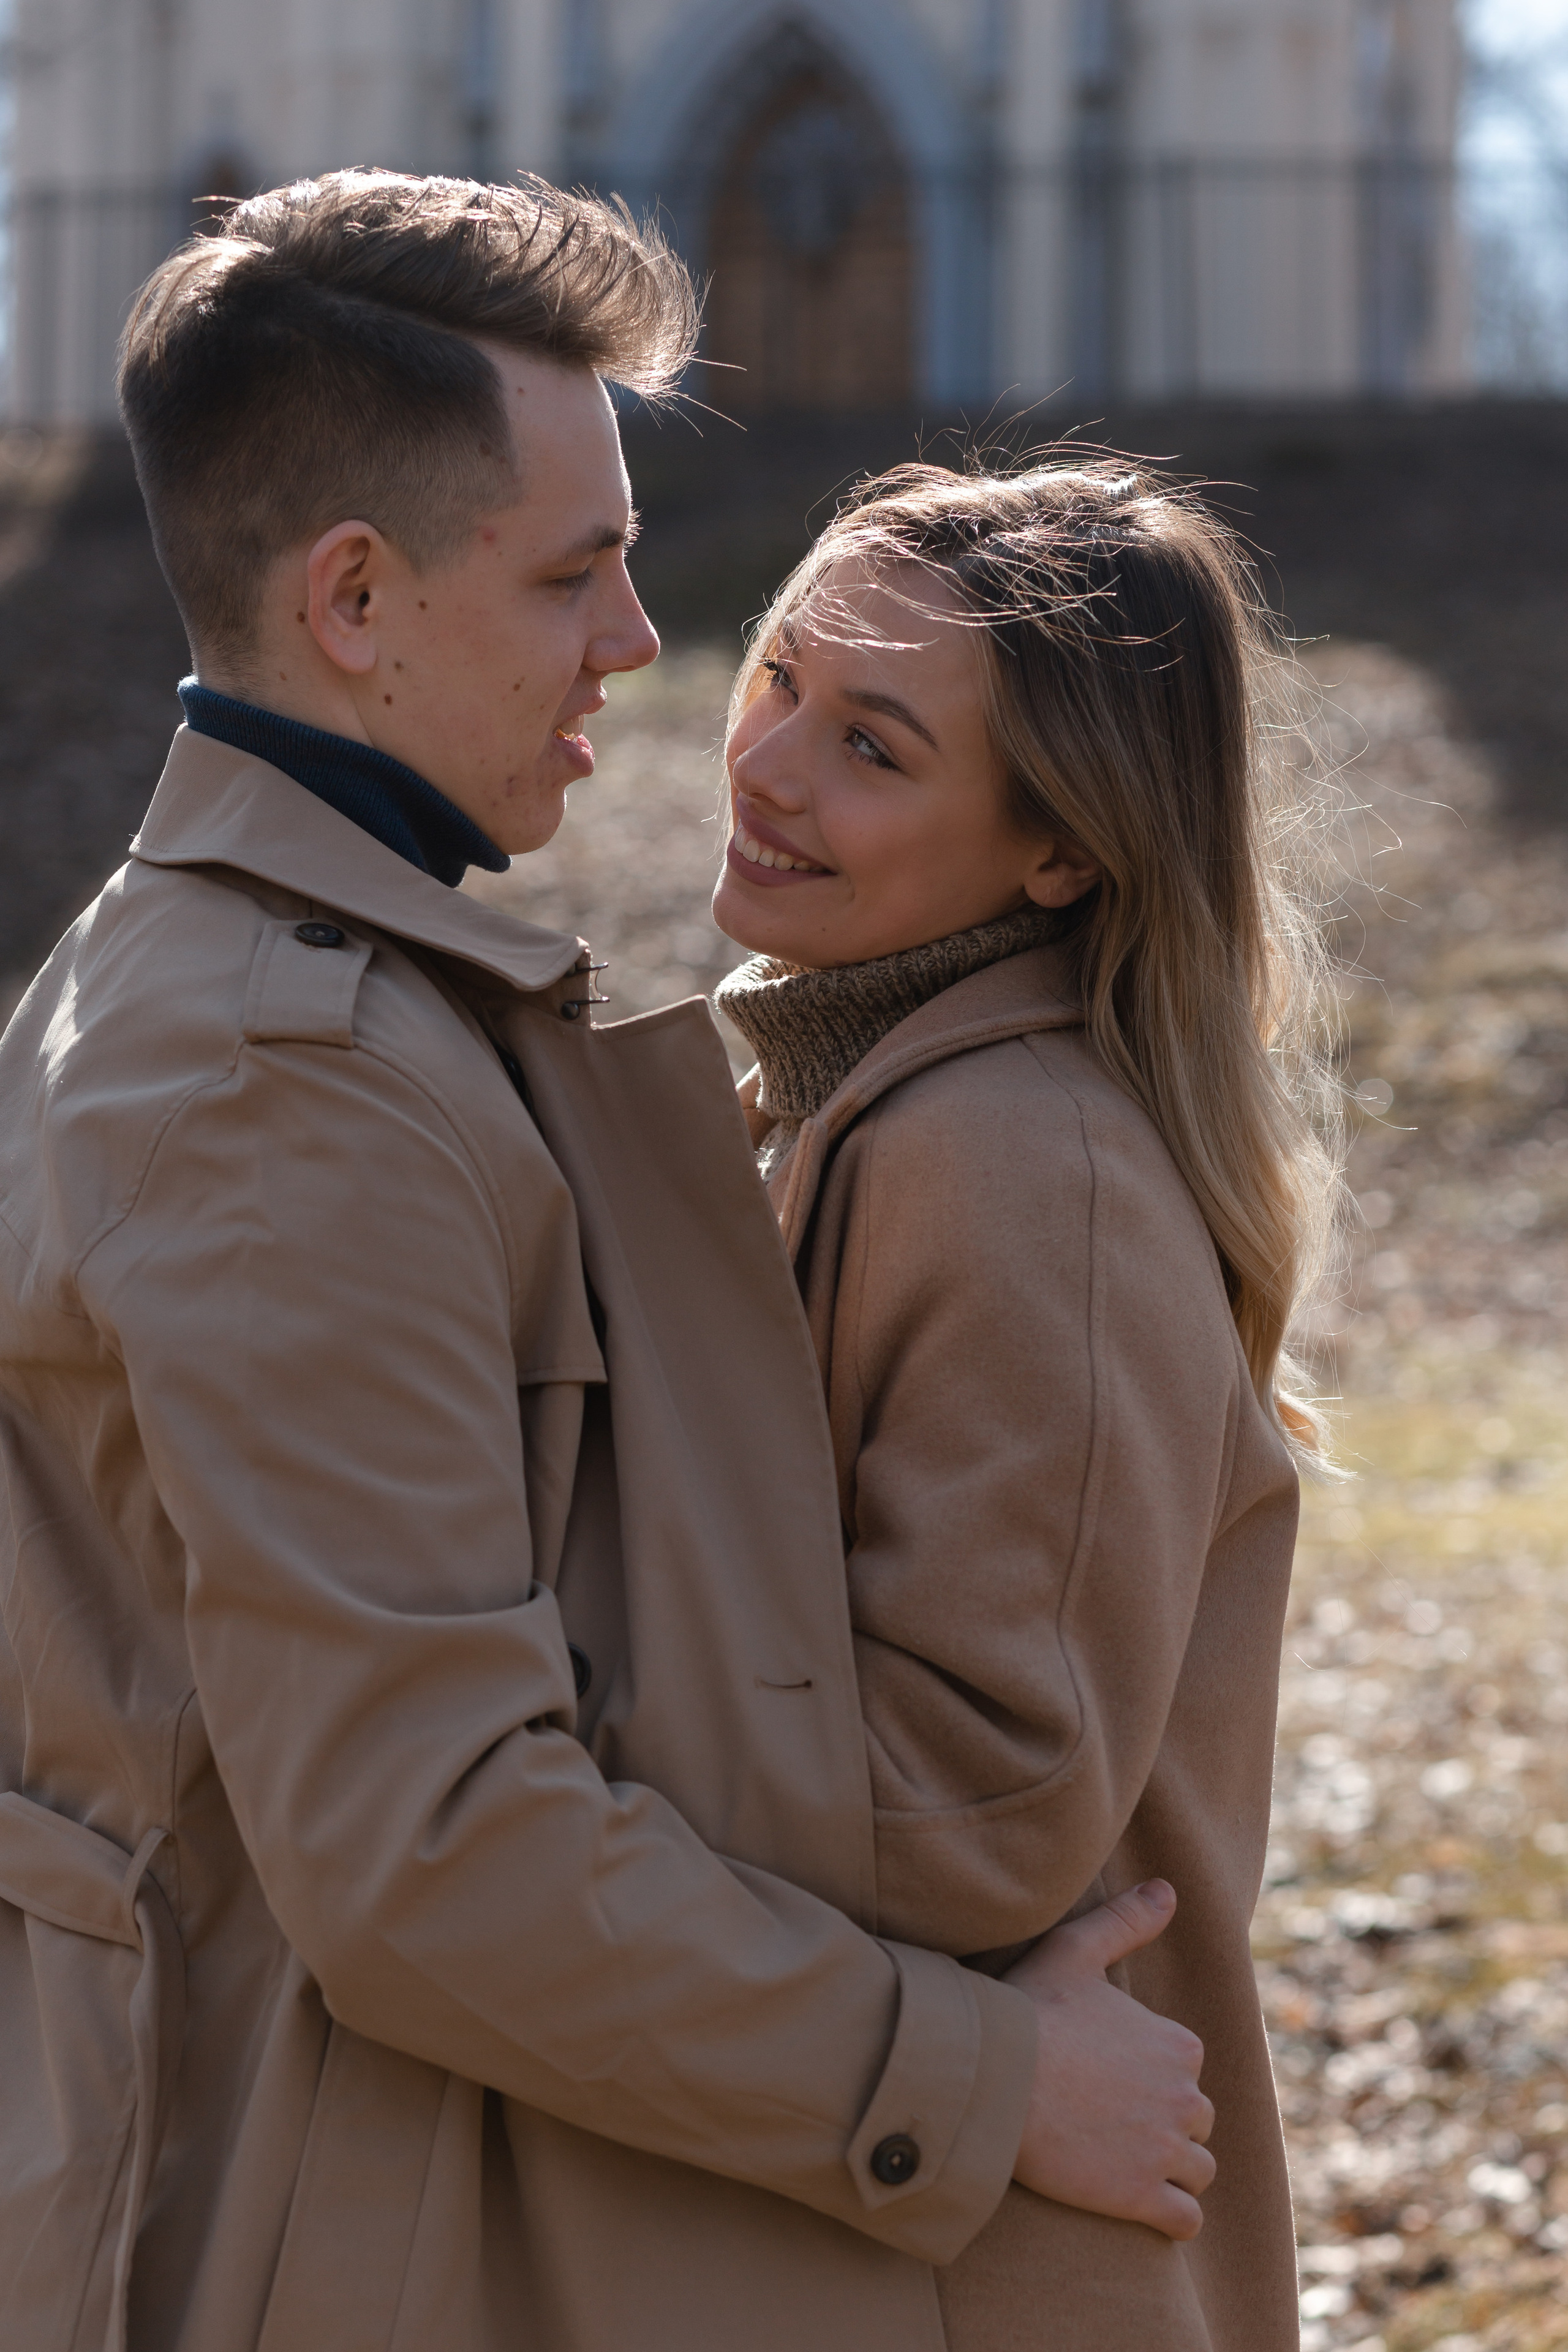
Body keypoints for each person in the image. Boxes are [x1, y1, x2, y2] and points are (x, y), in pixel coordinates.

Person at [0, 175, 1213, 2352]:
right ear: (355, 596)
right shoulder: (289, 1073)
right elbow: (438, 1846)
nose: (644, 647)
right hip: (307, 2213)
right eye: (578, 571)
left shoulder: (274, 987)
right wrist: (985, 2079)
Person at [712, 458, 1343, 2352]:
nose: (767, 765)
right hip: (911, 2208)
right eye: (779, 681)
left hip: (990, 2273)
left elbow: (978, 1798)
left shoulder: (1013, 1169)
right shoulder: (865, 1093)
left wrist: (500, 1777)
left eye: (876, 747)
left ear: (1060, 851)